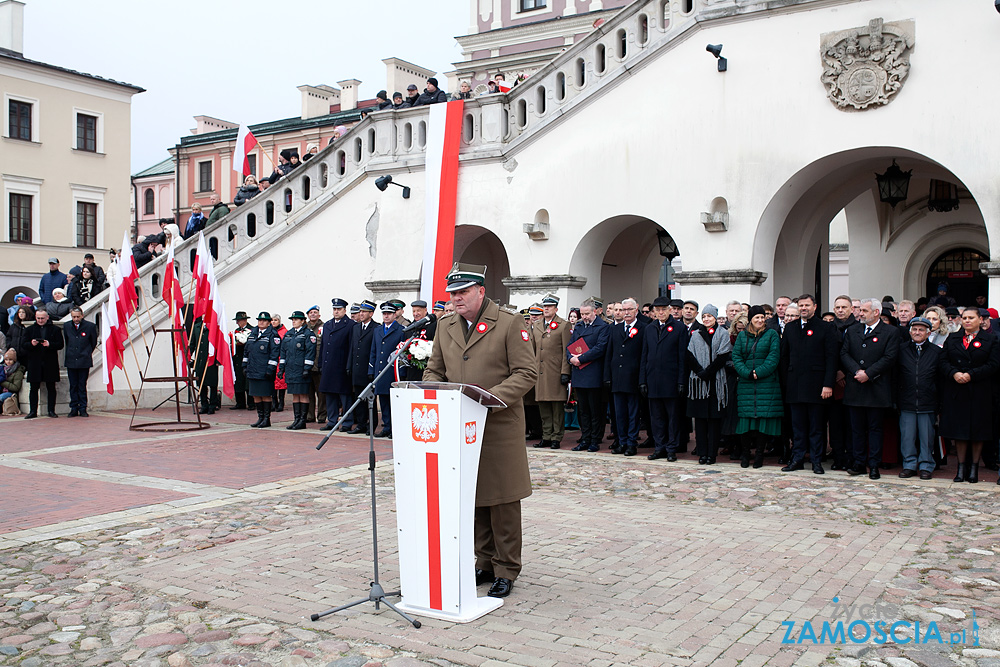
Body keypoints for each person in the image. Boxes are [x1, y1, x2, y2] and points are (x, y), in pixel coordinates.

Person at [423, 263, 537, 599]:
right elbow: (434, 370)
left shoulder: (510, 322)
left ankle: (506, 568)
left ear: (481, 292)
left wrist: (488, 398)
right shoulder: (445, 325)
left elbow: (526, 372)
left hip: (498, 424)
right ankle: (484, 562)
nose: (456, 299)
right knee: (473, 496)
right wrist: (434, 394)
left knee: (502, 498)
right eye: (452, 294)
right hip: (460, 424)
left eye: (462, 293)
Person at [840, 298, 901, 479]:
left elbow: (890, 357)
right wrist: (856, 371)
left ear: (876, 312)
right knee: (856, 428)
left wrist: (869, 373)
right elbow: (844, 353)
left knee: (875, 428)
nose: (860, 314)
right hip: (855, 386)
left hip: (877, 387)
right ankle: (859, 463)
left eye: (864, 311)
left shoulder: (890, 332)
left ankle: (874, 464)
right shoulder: (852, 330)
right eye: (860, 311)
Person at [940, 307, 1000, 484]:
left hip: (980, 391)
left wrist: (971, 374)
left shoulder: (990, 339)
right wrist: (954, 373)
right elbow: (943, 361)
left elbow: (994, 364)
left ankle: (973, 468)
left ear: (980, 319)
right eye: (964, 317)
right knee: (959, 431)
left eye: (971, 318)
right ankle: (960, 467)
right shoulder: (953, 338)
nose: (967, 321)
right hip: (957, 391)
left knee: (977, 431)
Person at [780, 294, 838, 474]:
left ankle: (816, 461)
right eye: (801, 305)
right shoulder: (790, 328)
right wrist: (785, 383)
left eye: (807, 305)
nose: (803, 308)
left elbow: (831, 358)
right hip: (795, 386)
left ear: (815, 306)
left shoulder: (826, 328)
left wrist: (828, 384)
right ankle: (797, 459)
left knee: (816, 427)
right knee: (797, 427)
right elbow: (784, 357)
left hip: (817, 386)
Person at [732, 306, 783, 468]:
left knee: (763, 421)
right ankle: (746, 454)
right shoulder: (742, 336)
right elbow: (736, 356)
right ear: (751, 320)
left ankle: (759, 455)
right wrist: (746, 373)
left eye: (762, 317)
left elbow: (773, 357)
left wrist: (758, 373)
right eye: (757, 318)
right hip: (746, 383)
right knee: (746, 421)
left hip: (766, 383)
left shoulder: (772, 335)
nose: (760, 320)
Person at [641, 296, 688, 461]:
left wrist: (682, 381)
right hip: (653, 379)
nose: (660, 312)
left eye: (663, 309)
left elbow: (682, 357)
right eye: (657, 310)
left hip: (671, 380)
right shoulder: (649, 328)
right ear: (654, 312)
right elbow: (644, 356)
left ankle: (671, 448)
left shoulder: (679, 328)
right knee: (656, 418)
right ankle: (659, 447)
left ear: (669, 310)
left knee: (673, 418)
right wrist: (642, 380)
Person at [895, 317, 942, 480]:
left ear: (928, 333)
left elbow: (940, 377)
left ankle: (926, 465)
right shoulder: (901, 350)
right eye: (914, 329)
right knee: (907, 436)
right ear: (909, 332)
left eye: (921, 330)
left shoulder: (936, 352)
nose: (917, 332)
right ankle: (909, 465)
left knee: (927, 437)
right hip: (907, 399)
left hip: (928, 400)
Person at [685, 304, 731, 465]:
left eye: (709, 316)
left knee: (714, 423)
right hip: (699, 383)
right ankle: (702, 452)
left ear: (715, 317)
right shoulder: (696, 334)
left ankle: (712, 454)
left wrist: (708, 372)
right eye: (704, 316)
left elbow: (722, 356)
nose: (706, 319)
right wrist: (700, 371)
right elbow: (689, 355)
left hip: (715, 383)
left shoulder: (723, 333)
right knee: (700, 422)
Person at [604, 298, 645, 456]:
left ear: (636, 310)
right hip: (617, 378)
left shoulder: (643, 328)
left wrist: (642, 379)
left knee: (633, 413)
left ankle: (631, 443)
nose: (626, 312)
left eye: (629, 309)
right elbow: (609, 354)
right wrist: (607, 376)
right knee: (619, 413)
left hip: (633, 378)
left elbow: (643, 356)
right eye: (624, 309)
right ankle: (621, 441)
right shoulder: (615, 329)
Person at [530, 294, 571, 449]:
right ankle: (546, 436)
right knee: (543, 406)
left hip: (555, 371)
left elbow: (566, 350)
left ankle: (556, 437)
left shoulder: (563, 325)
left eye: (549, 306)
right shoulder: (538, 324)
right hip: (539, 371)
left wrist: (565, 372)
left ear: (556, 309)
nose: (546, 309)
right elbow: (532, 348)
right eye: (545, 306)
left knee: (556, 407)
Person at [567, 300, 610, 452]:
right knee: (583, 410)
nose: (584, 317)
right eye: (582, 314)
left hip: (593, 373)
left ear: (595, 312)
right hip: (579, 373)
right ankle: (585, 438)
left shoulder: (603, 327)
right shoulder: (578, 326)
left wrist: (580, 358)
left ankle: (594, 439)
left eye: (587, 314)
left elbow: (600, 348)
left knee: (595, 410)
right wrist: (570, 358)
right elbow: (570, 345)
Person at [368, 302, 404, 437]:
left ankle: (395, 428)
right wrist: (371, 370)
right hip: (380, 370)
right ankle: (387, 426)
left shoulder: (401, 330)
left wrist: (401, 373)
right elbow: (374, 351)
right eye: (384, 313)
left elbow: (402, 354)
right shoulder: (377, 330)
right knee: (383, 400)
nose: (386, 316)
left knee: (393, 402)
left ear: (395, 315)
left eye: (389, 313)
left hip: (392, 371)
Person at [319, 298, 355, 431]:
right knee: (330, 395)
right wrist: (321, 364)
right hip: (329, 365)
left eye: (339, 309)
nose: (336, 312)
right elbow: (323, 346)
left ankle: (347, 422)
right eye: (334, 309)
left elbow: (351, 347)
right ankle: (332, 421)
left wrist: (349, 366)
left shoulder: (350, 325)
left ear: (345, 310)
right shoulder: (328, 325)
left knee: (344, 396)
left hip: (342, 366)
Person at [278, 311, 317, 430]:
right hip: (291, 369)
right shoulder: (289, 334)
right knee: (295, 395)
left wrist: (307, 368)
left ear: (303, 321)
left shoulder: (307, 334)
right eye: (292, 319)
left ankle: (302, 420)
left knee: (303, 395)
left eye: (296, 319)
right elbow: (283, 352)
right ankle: (296, 419)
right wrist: (281, 368)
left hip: (301, 369)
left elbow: (310, 352)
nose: (294, 321)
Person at [22, 309, 63, 419]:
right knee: (33, 388)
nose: (40, 320)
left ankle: (51, 410)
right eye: (38, 318)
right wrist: (31, 343)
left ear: (47, 318)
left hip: (50, 362)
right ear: (35, 317)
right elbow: (23, 345)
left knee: (51, 387)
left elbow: (60, 344)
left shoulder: (55, 329)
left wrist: (49, 344)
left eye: (42, 318)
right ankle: (32, 411)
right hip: (34, 363)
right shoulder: (30, 330)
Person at [242, 312, 281, 428]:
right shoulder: (253, 334)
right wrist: (244, 365)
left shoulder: (272, 335)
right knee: (256, 395)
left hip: (265, 371)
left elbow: (274, 354)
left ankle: (266, 419)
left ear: (269, 323)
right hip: (253, 369)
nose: (261, 322)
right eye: (259, 320)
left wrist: (270, 369)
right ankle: (260, 417)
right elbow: (246, 351)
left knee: (265, 395)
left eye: (264, 321)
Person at [347, 300, 377, 434]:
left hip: (368, 368)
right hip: (357, 369)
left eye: (364, 311)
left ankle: (372, 424)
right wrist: (349, 366)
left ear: (371, 313)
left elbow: (374, 349)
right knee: (358, 397)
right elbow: (352, 349)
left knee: (370, 398)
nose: (361, 314)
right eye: (360, 311)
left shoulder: (376, 328)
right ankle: (361, 423)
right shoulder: (355, 328)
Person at [62, 307, 97, 418]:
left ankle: (83, 408)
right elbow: (67, 341)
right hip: (71, 360)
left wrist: (86, 353)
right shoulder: (67, 326)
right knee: (73, 385)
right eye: (74, 317)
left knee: (82, 385)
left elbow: (93, 342)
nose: (76, 319)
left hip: (84, 360)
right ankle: (73, 408)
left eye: (78, 316)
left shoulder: (90, 326)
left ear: (82, 315)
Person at [189, 318, 219, 415]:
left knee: (212, 384)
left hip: (211, 359)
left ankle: (212, 405)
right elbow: (193, 343)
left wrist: (218, 359)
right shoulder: (197, 327)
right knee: (201, 384)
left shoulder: (214, 326)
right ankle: (204, 405)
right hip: (200, 360)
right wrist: (188, 356)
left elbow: (219, 344)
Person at [229, 311, 253, 410]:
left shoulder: (252, 330)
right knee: (238, 381)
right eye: (237, 321)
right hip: (238, 359)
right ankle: (240, 403)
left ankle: (251, 403)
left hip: (248, 359)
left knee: (248, 382)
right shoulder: (236, 331)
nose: (237, 323)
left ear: (244, 320)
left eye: (239, 320)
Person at [305, 305, 325, 424]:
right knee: (308, 393)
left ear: (319, 315)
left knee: (321, 394)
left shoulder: (324, 327)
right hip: (307, 366)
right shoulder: (304, 328)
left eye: (315, 312)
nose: (313, 314)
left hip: (319, 364)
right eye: (311, 312)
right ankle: (309, 415)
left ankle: (322, 416)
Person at [270, 314, 288, 412]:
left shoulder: (284, 332)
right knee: (272, 382)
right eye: (272, 320)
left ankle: (281, 402)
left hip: (281, 359)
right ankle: (274, 402)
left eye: (276, 320)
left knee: (281, 382)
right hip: (272, 359)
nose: (273, 322)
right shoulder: (269, 331)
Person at [0, 348, 24, 414]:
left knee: (1, 397)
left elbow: (16, 387)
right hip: (2, 390)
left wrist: (3, 382)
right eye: (6, 360)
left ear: (14, 360)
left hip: (11, 392)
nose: (8, 362)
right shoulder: (2, 369)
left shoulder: (18, 371)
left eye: (10, 360)